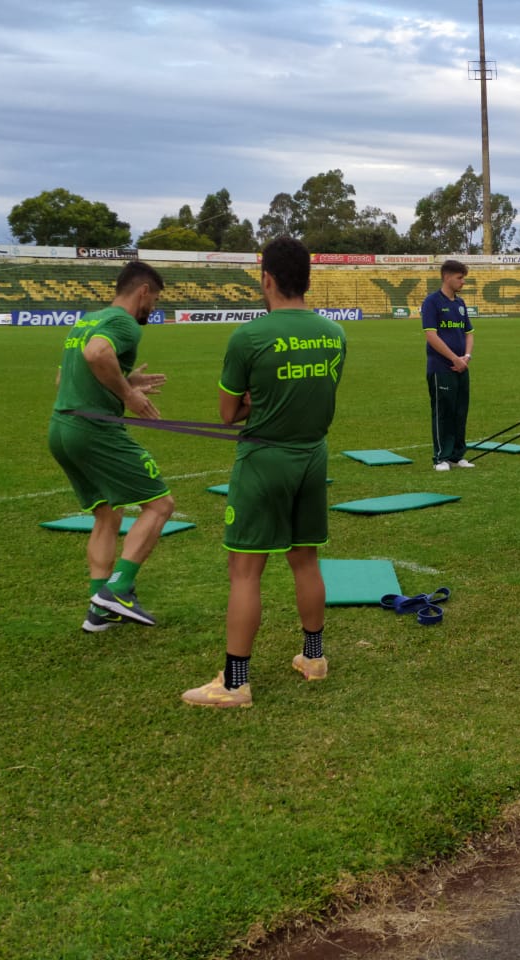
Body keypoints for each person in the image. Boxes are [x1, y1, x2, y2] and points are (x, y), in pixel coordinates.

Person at [183, 237, 348, 708]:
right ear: (307, 280)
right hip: (313, 457)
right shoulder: (335, 333)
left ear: (267, 279)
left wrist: (256, 400)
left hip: (264, 459)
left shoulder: (249, 337)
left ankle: (235, 682)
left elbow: (227, 414)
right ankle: (314, 658)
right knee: (306, 558)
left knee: (245, 570)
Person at [48, 260, 174, 632]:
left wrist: (125, 379)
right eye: (155, 300)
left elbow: (63, 377)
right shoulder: (124, 323)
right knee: (161, 505)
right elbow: (96, 355)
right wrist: (128, 394)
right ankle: (117, 590)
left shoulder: (88, 320)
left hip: (61, 428)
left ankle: (98, 611)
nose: (153, 308)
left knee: (108, 514)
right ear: (143, 292)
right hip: (93, 429)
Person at [422, 259, 475, 472]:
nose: (463, 282)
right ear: (447, 277)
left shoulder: (460, 304)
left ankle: (456, 455)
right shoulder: (432, 301)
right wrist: (454, 358)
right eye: (460, 278)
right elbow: (431, 335)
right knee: (444, 412)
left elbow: (469, 333)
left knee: (460, 412)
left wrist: (466, 357)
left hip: (462, 367)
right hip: (441, 368)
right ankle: (440, 457)